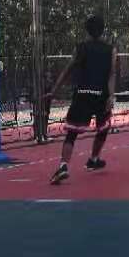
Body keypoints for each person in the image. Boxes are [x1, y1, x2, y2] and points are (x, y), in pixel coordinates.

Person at [48, 15, 117, 185]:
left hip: (82, 93)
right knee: (103, 128)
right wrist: (111, 95)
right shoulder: (110, 50)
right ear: (103, 30)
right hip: (101, 95)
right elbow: (111, 74)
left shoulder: (80, 48)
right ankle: (93, 159)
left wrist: (54, 90)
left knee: (72, 133)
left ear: (87, 31)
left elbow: (67, 70)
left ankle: (63, 166)